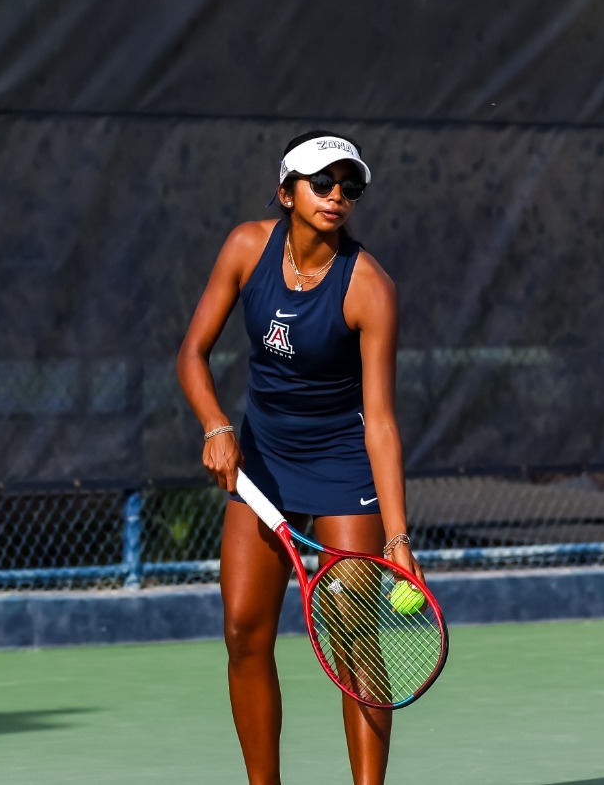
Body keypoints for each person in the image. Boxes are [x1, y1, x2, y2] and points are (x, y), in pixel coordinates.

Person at [174, 131, 418, 785]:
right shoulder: (245, 248)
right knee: (243, 631)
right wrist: (216, 426)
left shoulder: (370, 288)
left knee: (355, 637)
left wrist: (397, 536)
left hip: (343, 465)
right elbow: (191, 354)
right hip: (263, 461)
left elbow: (383, 423)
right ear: (286, 193)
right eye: (322, 183)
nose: (337, 196)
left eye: (350, 186)